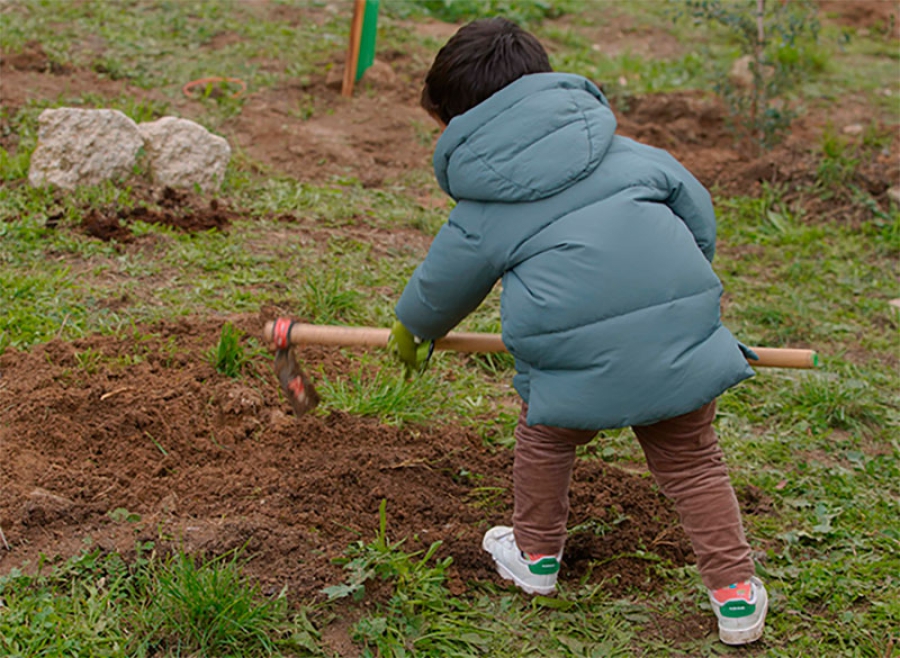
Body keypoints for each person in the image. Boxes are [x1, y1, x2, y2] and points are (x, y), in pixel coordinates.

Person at [388, 17, 767, 646]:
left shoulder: (486, 205)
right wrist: (678, 295)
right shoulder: (635, 154)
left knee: (546, 434)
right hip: (679, 343)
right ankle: (734, 595)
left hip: (570, 364)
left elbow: (444, 283)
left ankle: (535, 557)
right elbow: (698, 218)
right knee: (695, 465)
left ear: (463, 123)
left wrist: (413, 328)